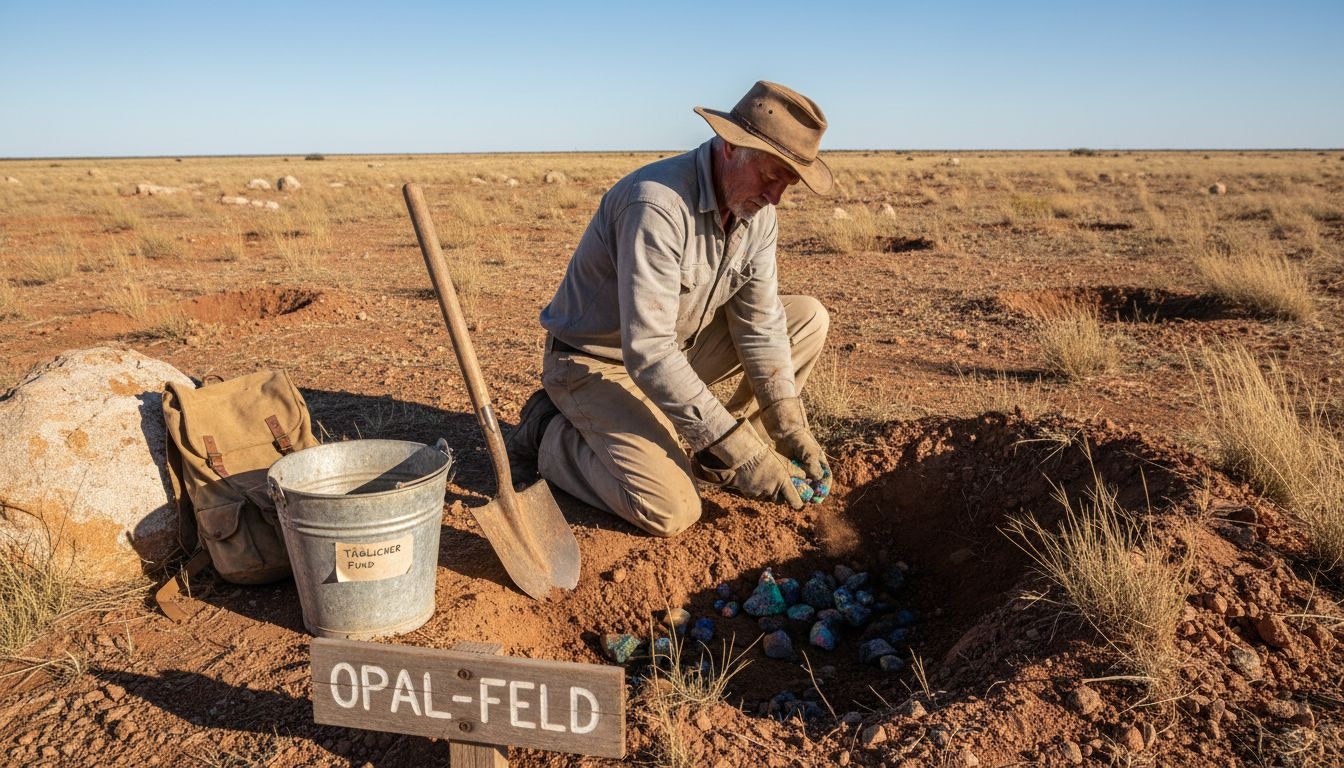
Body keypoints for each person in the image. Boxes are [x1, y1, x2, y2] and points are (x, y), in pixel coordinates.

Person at [508, 80, 834, 537]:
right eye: (771, 175)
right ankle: (548, 433)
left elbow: (761, 324)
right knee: (671, 511)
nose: (776, 196)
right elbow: (649, 350)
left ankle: (727, 459)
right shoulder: (656, 204)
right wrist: (739, 446)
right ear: (729, 147)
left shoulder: (758, 215)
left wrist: (787, 421)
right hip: (597, 363)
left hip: (677, 351)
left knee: (806, 318)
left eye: (789, 183)